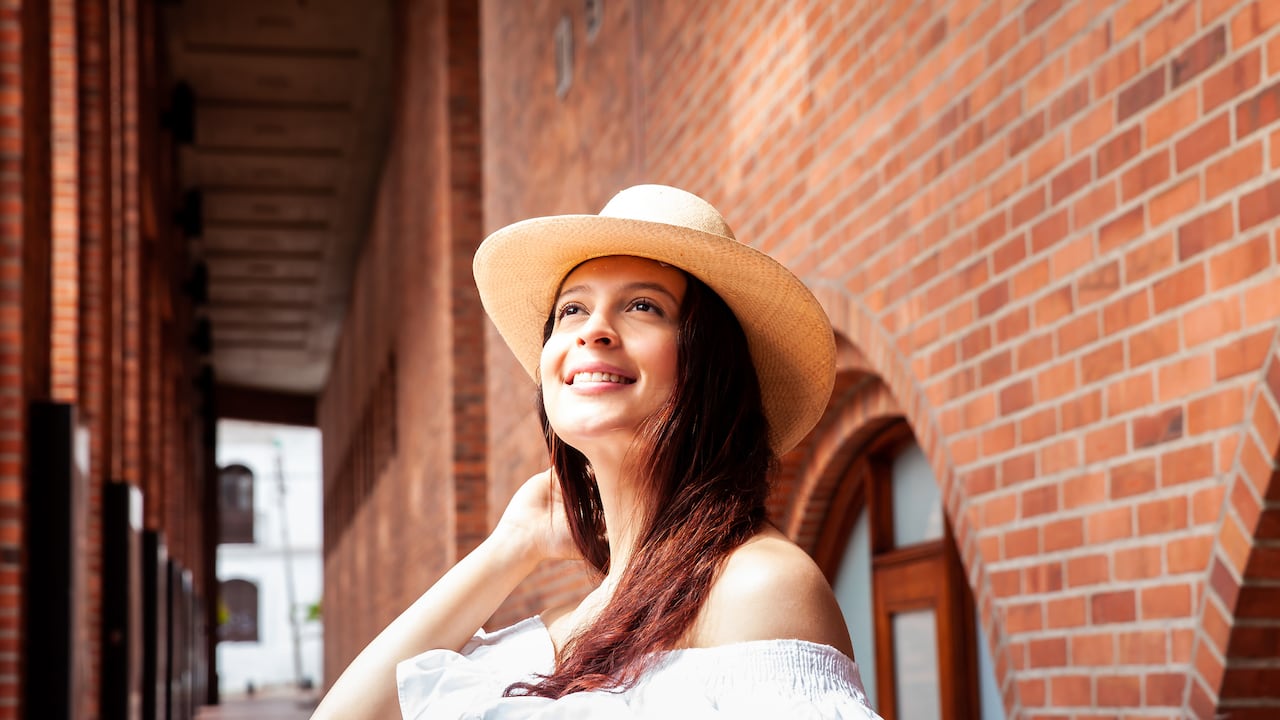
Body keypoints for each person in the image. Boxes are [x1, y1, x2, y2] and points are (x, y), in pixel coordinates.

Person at [311, 185, 881, 719]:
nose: (594, 330)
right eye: (572, 310)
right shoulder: (580, 621)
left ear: (710, 367)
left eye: (643, 307)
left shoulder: (758, 585)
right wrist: (512, 546)